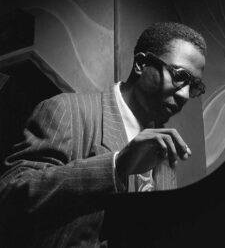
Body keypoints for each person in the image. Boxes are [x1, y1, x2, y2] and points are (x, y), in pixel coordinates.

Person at [0, 22, 206, 247]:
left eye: (194, 86)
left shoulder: (164, 157)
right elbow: (10, 196)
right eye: (179, 76)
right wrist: (117, 166)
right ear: (140, 64)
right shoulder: (67, 110)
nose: (185, 95)